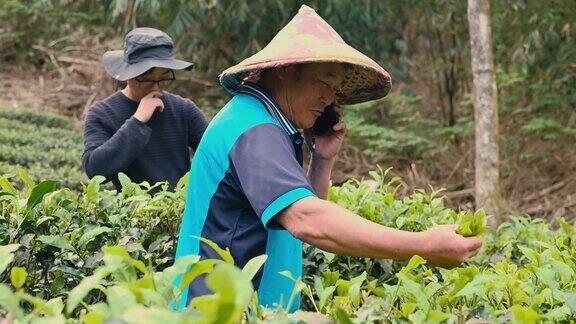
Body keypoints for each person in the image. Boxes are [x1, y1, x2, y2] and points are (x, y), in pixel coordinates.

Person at [173, 5, 482, 311]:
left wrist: (322, 159)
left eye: (335, 89)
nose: (330, 98)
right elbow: (306, 220)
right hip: (214, 312)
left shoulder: (267, 124)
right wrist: (424, 246)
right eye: (324, 82)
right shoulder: (255, 130)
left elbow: (298, 216)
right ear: (285, 70)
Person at [82, 27, 208, 191]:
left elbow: (215, 156)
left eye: (163, 79)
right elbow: (95, 171)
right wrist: (137, 121)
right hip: (134, 214)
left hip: (180, 208)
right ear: (128, 74)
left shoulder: (183, 110)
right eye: (147, 80)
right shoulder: (102, 113)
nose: (156, 87)